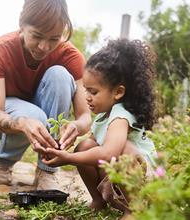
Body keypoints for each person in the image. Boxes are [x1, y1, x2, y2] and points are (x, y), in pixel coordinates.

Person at [42, 39, 158, 217]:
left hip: (147, 185)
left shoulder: (121, 115)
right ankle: (99, 200)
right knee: (85, 146)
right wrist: (62, 147)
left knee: (123, 151)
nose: (87, 97)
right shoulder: (103, 118)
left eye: (93, 92)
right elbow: (91, 149)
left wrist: (68, 158)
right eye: (85, 90)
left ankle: (135, 210)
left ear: (118, 92)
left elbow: (107, 154)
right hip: (121, 183)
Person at [0, 0, 91, 190]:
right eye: (37, 36)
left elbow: (85, 116)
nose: (44, 47)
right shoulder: (0, 49)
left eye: (54, 39)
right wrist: (23, 123)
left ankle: (46, 170)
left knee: (60, 75)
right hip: (7, 113)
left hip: (42, 114)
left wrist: (75, 126)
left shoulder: (71, 56)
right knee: (34, 116)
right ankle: (4, 162)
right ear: (22, 25)